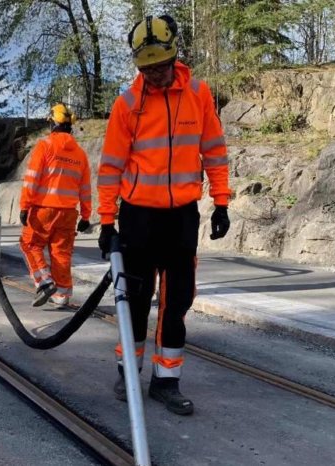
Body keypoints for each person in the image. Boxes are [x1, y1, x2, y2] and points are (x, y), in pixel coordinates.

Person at [97, 14, 231, 415]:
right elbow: (111, 167)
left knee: (176, 304)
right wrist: (107, 222)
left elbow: (214, 150)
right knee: (134, 301)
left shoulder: (198, 94)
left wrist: (222, 202)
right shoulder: (127, 106)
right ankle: (127, 372)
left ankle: (166, 381)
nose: (154, 75)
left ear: (174, 57)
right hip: (138, 218)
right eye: (146, 68)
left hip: (181, 219)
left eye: (160, 67)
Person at [20, 103, 92, 307]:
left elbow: (32, 179)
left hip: (44, 209)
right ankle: (61, 296)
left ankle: (44, 282)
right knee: (61, 253)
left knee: (29, 244)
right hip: (68, 213)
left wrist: (25, 206)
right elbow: (85, 188)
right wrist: (86, 216)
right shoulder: (80, 154)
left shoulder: (45, 146)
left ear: (53, 123)